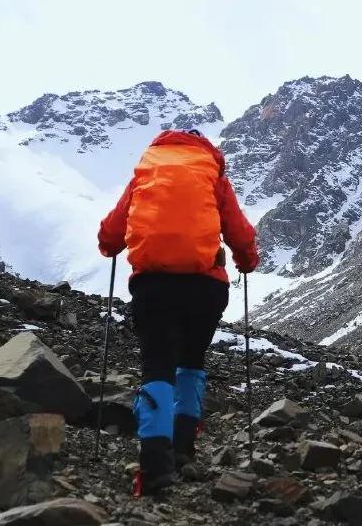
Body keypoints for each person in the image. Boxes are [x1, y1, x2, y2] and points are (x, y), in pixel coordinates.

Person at [97, 128, 258, 494]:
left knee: (157, 366)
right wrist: (247, 262)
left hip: (154, 286)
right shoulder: (213, 175)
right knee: (191, 362)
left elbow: (112, 231)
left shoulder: (147, 171)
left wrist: (109, 247)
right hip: (206, 287)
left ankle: (155, 468)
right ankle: (183, 449)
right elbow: (240, 232)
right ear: (203, 149)